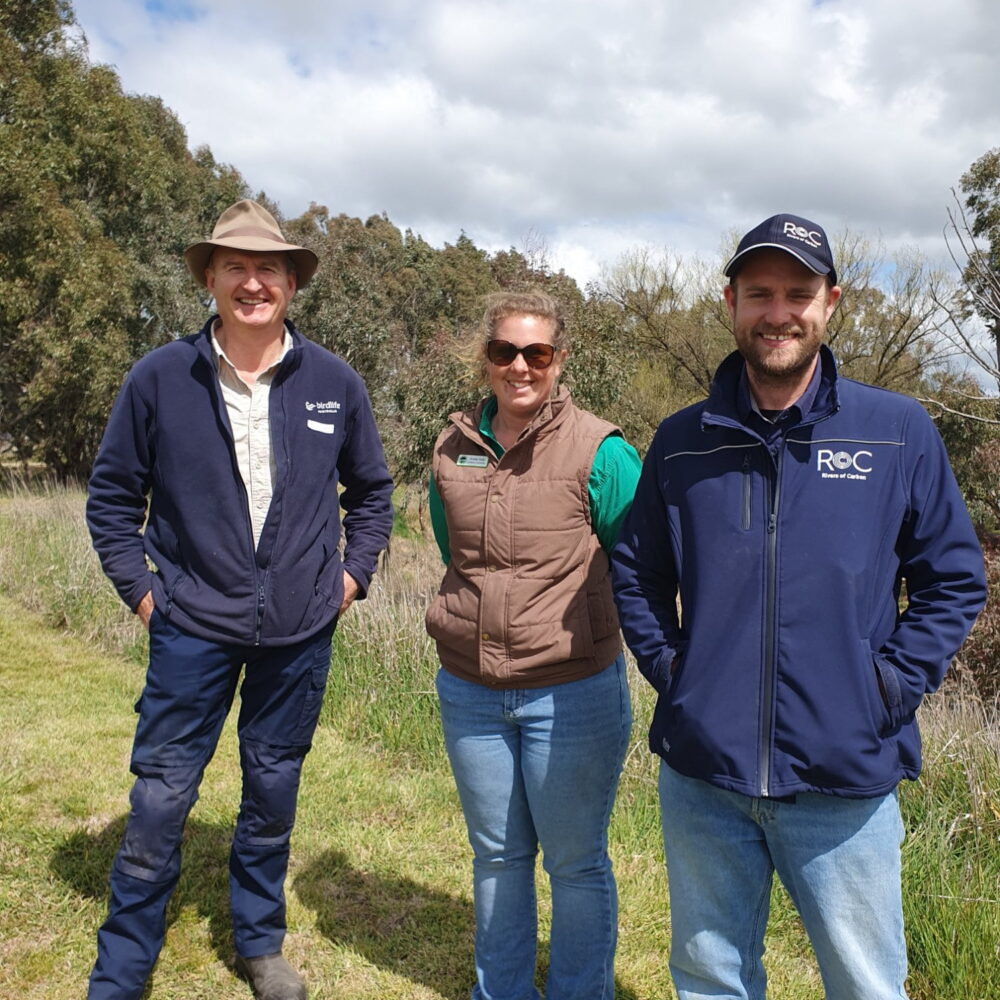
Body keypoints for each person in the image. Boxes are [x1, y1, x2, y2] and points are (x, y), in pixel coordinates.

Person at [611, 213, 987, 1000]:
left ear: (830, 303)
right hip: (703, 779)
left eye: (797, 293)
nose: (777, 312)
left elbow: (953, 579)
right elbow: (638, 572)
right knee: (710, 978)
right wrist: (676, 677)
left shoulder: (897, 431)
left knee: (865, 985)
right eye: (759, 294)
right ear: (730, 304)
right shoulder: (683, 440)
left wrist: (886, 690)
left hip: (842, 780)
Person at [85, 200, 394, 1000]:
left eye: (268, 269)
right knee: (159, 799)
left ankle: (259, 943)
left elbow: (373, 494)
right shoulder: (160, 377)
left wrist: (348, 580)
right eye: (235, 268)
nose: (252, 282)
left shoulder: (334, 382)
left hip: (299, 633)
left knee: (272, 789)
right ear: (211, 279)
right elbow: (113, 500)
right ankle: (123, 965)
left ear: (291, 283)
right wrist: (149, 600)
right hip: (190, 628)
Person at [426, 290, 641, 1000]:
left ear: (559, 360)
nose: (520, 366)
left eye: (536, 353)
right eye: (504, 351)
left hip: (571, 693)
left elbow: (637, 564)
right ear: (486, 360)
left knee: (576, 863)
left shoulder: (602, 451)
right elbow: (453, 551)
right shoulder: (453, 448)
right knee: (496, 858)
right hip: (470, 692)